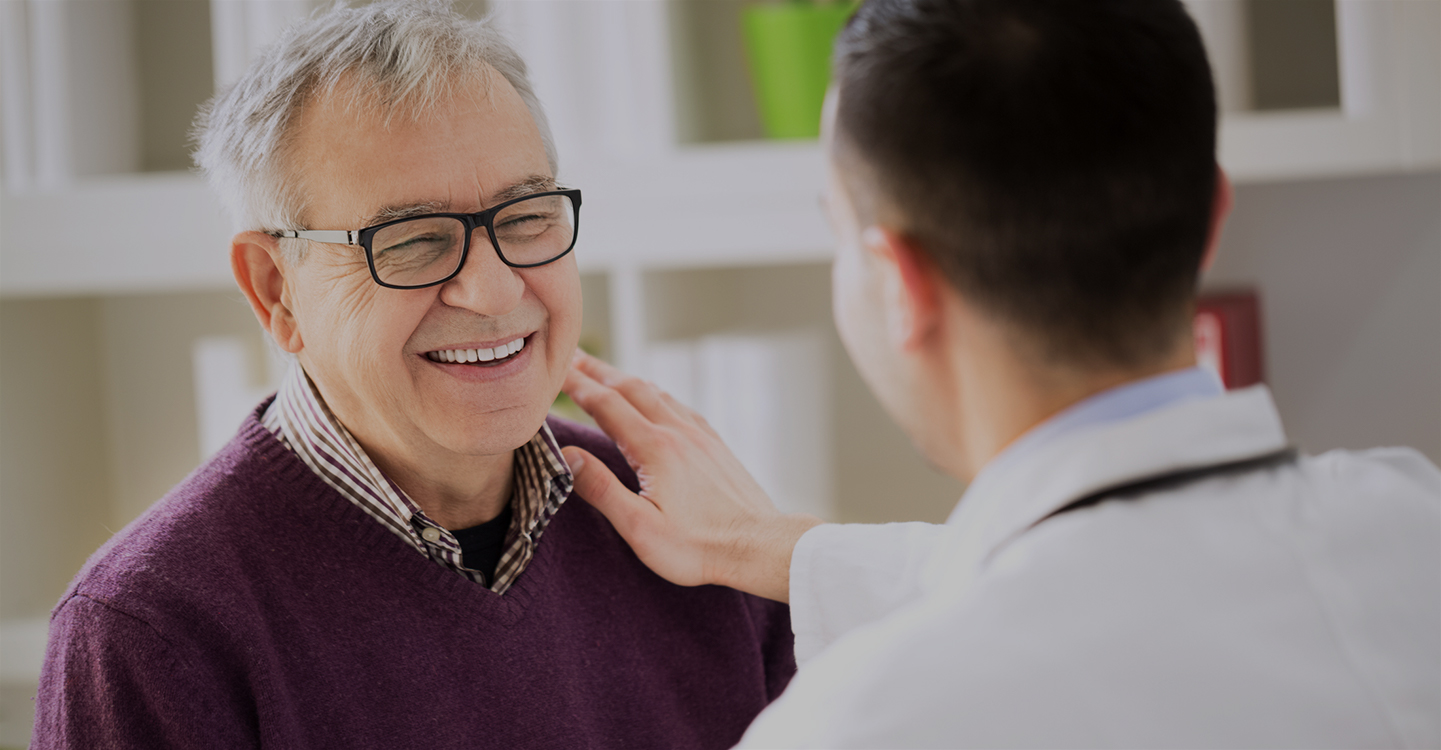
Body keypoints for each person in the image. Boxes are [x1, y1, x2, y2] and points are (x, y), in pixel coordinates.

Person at [560, 0, 1441, 746]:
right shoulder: (1409, 523)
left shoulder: (858, 727)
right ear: (1212, 217)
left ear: (900, 284)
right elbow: (1127, 581)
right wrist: (781, 548)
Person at [31, 3, 794, 747]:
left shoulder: (692, 528)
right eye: (414, 239)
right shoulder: (149, 630)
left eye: (526, 216)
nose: (494, 292)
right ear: (275, 289)